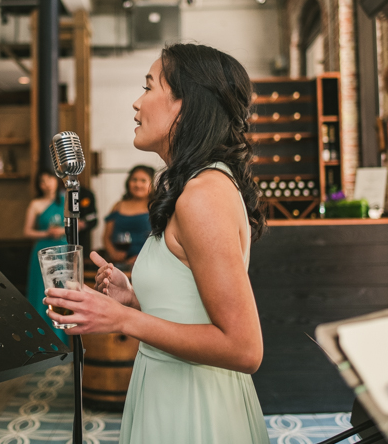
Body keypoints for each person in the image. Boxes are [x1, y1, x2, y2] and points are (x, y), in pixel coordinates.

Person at [43, 43, 269, 443]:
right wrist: (134, 299)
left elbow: (244, 348)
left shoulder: (203, 194)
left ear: (187, 104)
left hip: (195, 406)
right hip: (168, 386)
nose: (136, 103)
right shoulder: (194, 186)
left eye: (148, 88)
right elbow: (192, 311)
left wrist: (123, 320)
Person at [23, 169, 67, 343]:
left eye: (49, 179)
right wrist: (46, 233)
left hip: (62, 251)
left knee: (61, 294)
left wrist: (62, 231)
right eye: (42, 181)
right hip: (41, 251)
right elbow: (27, 232)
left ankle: (60, 339)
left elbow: (76, 226)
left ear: (56, 181)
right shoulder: (36, 204)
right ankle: (39, 340)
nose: (46, 183)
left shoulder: (66, 201)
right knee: (40, 293)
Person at [102, 165, 154, 268]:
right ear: (128, 182)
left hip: (147, 263)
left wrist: (140, 258)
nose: (138, 184)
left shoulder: (155, 206)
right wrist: (113, 254)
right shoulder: (118, 205)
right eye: (134, 180)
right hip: (119, 264)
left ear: (151, 184)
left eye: (143, 181)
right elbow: (106, 237)